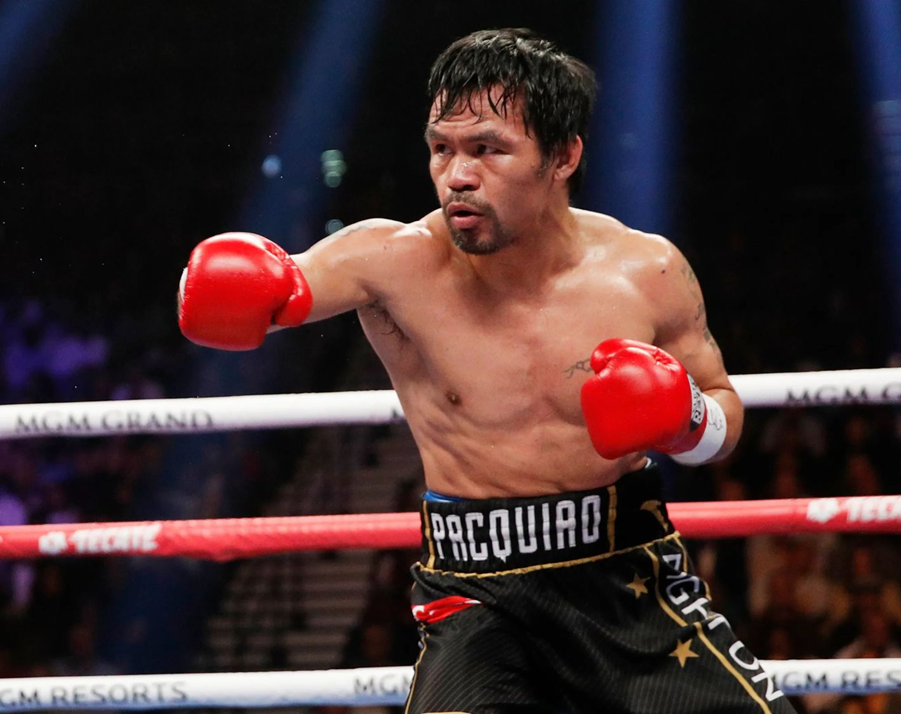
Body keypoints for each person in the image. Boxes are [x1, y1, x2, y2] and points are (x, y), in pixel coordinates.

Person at [178, 28, 793, 714]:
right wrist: (247, 288)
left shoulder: (646, 270)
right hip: (475, 597)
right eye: (441, 148)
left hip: (626, 576)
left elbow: (722, 409)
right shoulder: (389, 261)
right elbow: (277, 288)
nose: (457, 176)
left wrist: (687, 420)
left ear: (563, 156)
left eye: (488, 150)